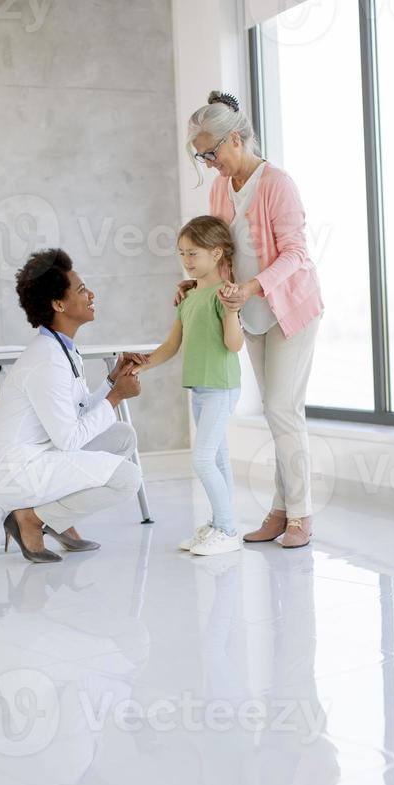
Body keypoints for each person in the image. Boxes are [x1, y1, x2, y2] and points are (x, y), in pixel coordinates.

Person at [181, 90, 325, 549]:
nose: (208, 162)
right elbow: (220, 250)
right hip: (251, 314)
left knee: (283, 410)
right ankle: (280, 511)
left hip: (290, 310)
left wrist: (252, 287)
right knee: (273, 411)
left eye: (211, 152)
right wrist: (200, 282)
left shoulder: (277, 183)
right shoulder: (220, 188)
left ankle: (300, 515)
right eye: (201, 155)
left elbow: (297, 254)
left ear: (235, 139)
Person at [0, 249, 146, 564]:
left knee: (123, 436)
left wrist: (112, 381)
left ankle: (55, 517)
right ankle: (30, 517)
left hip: (41, 455)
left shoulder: (61, 348)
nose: (91, 294)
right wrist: (115, 398)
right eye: (82, 290)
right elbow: (69, 439)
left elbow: (79, 412)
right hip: (17, 471)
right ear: (59, 305)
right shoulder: (46, 359)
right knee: (128, 479)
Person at [135, 216, 244, 557]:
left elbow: (234, 344)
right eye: (182, 253)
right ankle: (219, 525)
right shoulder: (188, 297)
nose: (186, 261)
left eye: (193, 253)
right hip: (199, 389)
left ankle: (226, 529)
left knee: (202, 459)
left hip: (222, 387)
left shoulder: (223, 295)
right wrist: (141, 365)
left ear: (216, 253)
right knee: (219, 459)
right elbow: (171, 346)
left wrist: (230, 311)